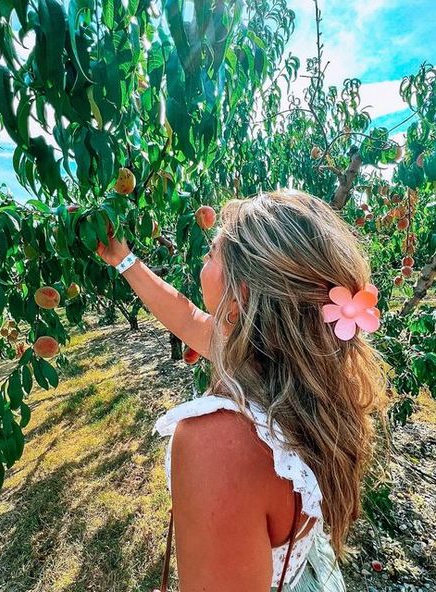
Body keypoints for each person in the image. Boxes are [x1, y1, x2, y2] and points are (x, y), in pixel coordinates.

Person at [96, 189, 389, 591]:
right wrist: (122, 259)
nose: (203, 256)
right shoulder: (284, 372)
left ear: (241, 295)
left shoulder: (216, 445)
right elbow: (184, 316)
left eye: (213, 252)